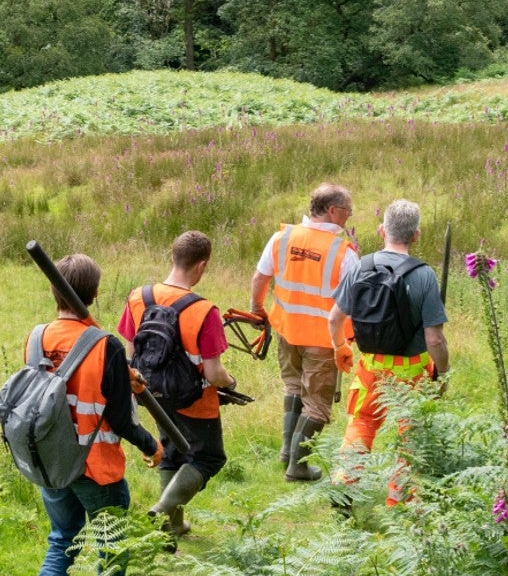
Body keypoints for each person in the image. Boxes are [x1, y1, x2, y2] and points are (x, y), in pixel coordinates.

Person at [24, 252, 159, 576]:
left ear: (54, 291)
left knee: (62, 538)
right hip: (96, 467)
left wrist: (122, 376)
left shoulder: (37, 337)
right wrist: (153, 446)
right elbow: (119, 417)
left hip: (52, 465)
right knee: (111, 541)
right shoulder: (106, 345)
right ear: (96, 294)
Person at [116, 230, 233, 538]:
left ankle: (174, 525)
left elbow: (130, 350)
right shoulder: (204, 311)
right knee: (208, 457)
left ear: (173, 257)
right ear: (202, 266)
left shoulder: (138, 297)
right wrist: (230, 382)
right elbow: (214, 371)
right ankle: (162, 511)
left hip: (149, 392)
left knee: (172, 450)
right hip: (193, 399)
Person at [333, 199, 450, 499]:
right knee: (410, 435)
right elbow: (434, 339)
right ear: (416, 235)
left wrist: (340, 347)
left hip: (370, 369)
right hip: (413, 374)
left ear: (381, 230)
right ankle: (399, 504)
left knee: (362, 423)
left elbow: (334, 318)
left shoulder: (361, 265)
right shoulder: (423, 275)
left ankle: (344, 489)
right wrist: (444, 372)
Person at [251, 183, 357, 482]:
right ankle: (297, 467)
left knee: (294, 387)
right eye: (347, 212)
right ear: (333, 211)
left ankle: (287, 451)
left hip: (287, 331)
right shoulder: (344, 253)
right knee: (318, 405)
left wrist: (258, 310)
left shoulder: (282, 238)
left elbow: (260, 278)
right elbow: (355, 302)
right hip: (324, 340)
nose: (348, 218)